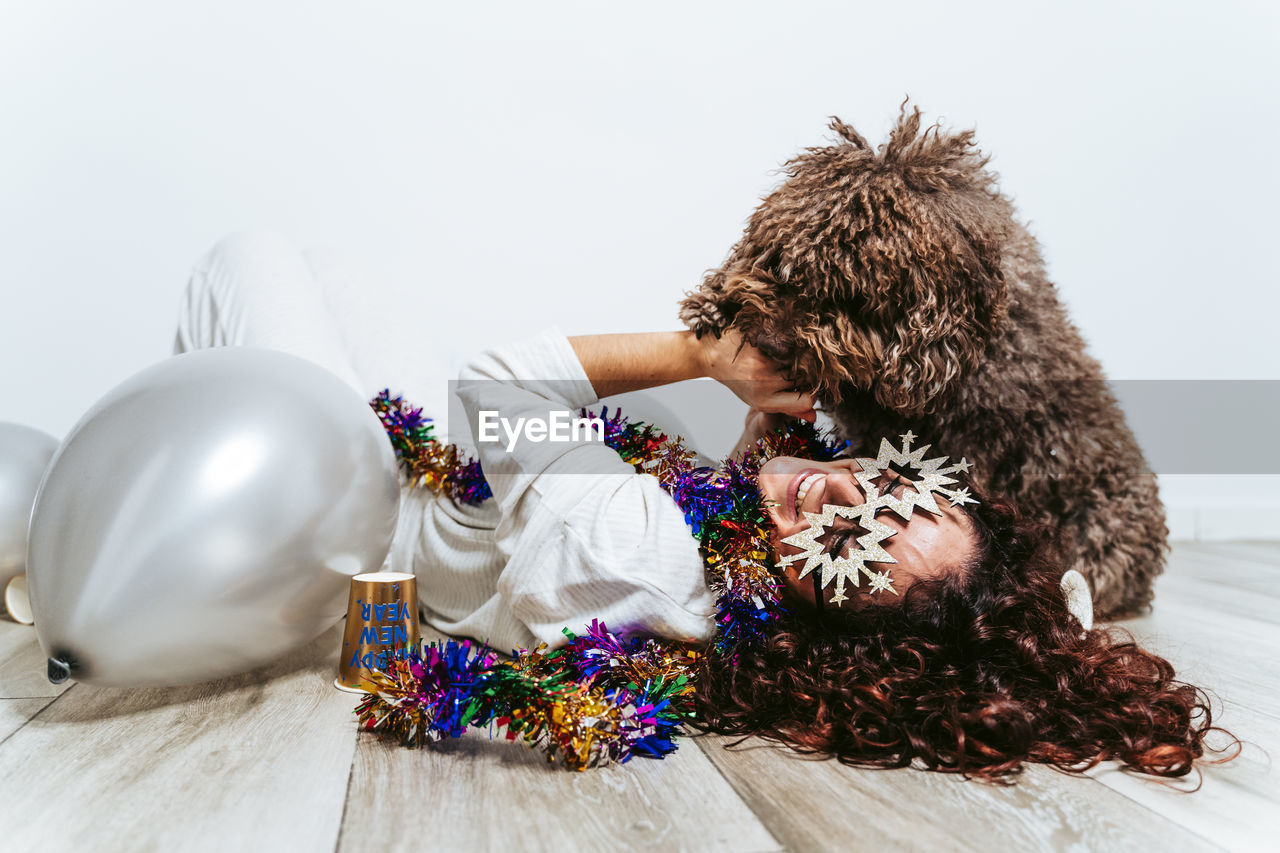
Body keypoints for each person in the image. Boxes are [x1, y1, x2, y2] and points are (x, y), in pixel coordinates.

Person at [175, 230, 1238, 781]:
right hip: (458, 484)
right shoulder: (734, 571)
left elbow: (498, 387)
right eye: (889, 487)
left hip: (367, 505)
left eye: (854, 544)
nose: (843, 489)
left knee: (244, 258)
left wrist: (704, 356)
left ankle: (183, 504)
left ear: (841, 623)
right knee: (330, 268)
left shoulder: (645, 553)